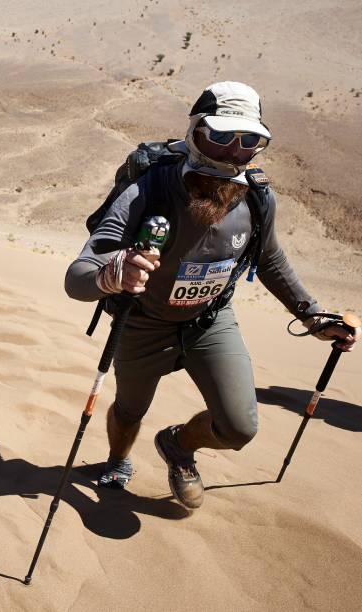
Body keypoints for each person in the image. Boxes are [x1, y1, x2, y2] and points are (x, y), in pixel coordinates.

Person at [64, 82, 360, 510]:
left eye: (251, 140)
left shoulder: (256, 196)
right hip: (144, 322)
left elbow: (270, 259)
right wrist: (113, 274)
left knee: (239, 427)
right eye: (221, 136)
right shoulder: (149, 189)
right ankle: (117, 462)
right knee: (129, 410)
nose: (234, 151)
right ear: (196, 132)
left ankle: (179, 446)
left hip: (210, 322)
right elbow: (78, 278)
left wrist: (313, 317)